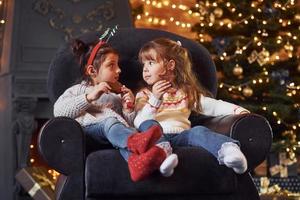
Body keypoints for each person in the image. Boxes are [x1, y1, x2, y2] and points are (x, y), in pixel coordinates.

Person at [53, 36, 178, 182]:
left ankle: (137, 164)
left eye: (118, 65)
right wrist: (89, 97)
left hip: (117, 138)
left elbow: (128, 124)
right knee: (110, 122)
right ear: (92, 71)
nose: (119, 70)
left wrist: (128, 109)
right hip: (90, 133)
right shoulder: (78, 90)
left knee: (124, 137)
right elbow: (59, 111)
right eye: (111, 65)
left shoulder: (115, 96)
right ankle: (134, 141)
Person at [134, 38, 250, 175]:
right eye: (144, 64)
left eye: (151, 62)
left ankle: (229, 152)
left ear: (170, 65)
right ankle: (163, 158)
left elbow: (213, 106)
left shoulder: (185, 93)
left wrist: (237, 110)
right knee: (150, 129)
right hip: (158, 139)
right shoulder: (145, 94)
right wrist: (155, 99)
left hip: (182, 136)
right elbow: (140, 123)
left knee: (198, 131)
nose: (145, 69)